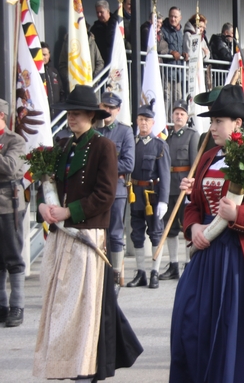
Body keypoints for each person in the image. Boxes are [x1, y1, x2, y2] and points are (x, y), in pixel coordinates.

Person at [170, 84, 244, 383]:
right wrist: (193, 227)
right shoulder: (208, 157)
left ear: (238, 124)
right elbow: (194, 203)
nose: (213, 127)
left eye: (219, 121)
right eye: (212, 121)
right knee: (189, 322)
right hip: (206, 255)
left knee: (232, 333)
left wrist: (237, 215)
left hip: (239, 261)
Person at [35, 85, 143, 380]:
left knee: (85, 307)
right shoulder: (64, 146)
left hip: (86, 235)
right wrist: (44, 208)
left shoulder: (103, 146)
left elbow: (106, 194)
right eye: (69, 113)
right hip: (61, 236)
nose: (72, 118)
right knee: (61, 305)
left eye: (78, 113)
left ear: (92, 116)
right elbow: (53, 188)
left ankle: (86, 366)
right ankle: (66, 362)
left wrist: (70, 212)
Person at [127, 101, 170, 289]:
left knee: (155, 233)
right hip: (134, 194)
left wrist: (163, 201)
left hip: (152, 196)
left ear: (153, 123)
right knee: (136, 234)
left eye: (147, 120)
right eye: (140, 120)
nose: (143, 123)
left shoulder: (159, 145)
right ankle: (141, 272)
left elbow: (165, 175)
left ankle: (154, 271)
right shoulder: (132, 144)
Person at [96, 91, 135, 293]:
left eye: (111, 108)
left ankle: (116, 272)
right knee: (97, 232)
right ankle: (100, 271)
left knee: (115, 233)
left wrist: (102, 166)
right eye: (105, 107)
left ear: (118, 110)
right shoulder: (94, 130)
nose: (108, 111)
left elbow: (128, 163)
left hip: (116, 190)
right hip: (95, 190)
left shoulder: (124, 132)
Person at [159, 100, 199, 280]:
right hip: (170, 188)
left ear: (187, 117)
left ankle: (188, 263)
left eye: (182, 114)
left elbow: (195, 165)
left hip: (185, 187)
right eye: (176, 113)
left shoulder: (192, 135)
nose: (178, 116)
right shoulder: (167, 138)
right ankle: (173, 264)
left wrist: (192, 188)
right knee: (171, 228)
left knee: (187, 227)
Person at [0, 98, 27, 328]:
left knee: (13, 256)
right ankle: (1, 305)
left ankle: (17, 304)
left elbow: (10, 167)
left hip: (9, 203)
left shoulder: (15, 140)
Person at [58, 24, 105, 94]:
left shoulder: (92, 42)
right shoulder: (68, 43)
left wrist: (94, 79)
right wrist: (70, 79)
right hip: (74, 88)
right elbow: (62, 65)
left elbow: (100, 62)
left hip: (91, 87)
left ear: (86, 29)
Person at [41, 42, 65, 119]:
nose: (42, 57)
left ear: (49, 55)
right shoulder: (34, 73)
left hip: (56, 117)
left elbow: (61, 92)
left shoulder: (54, 71)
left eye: (45, 55)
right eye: (40, 54)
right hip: (42, 118)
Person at [90, 0, 117, 65]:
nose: (99, 15)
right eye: (97, 12)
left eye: (101, 12)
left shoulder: (117, 23)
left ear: (108, 11)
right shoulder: (95, 28)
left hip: (116, 61)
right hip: (102, 64)